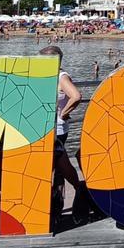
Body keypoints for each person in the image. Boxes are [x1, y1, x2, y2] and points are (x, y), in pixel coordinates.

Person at [39, 46, 95, 224]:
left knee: (60, 166)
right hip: (49, 128)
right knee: (57, 168)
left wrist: (62, 114)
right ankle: (59, 202)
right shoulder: (49, 75)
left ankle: (82, 193)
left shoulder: (61, 77)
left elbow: (76, 96)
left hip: (58, 129)